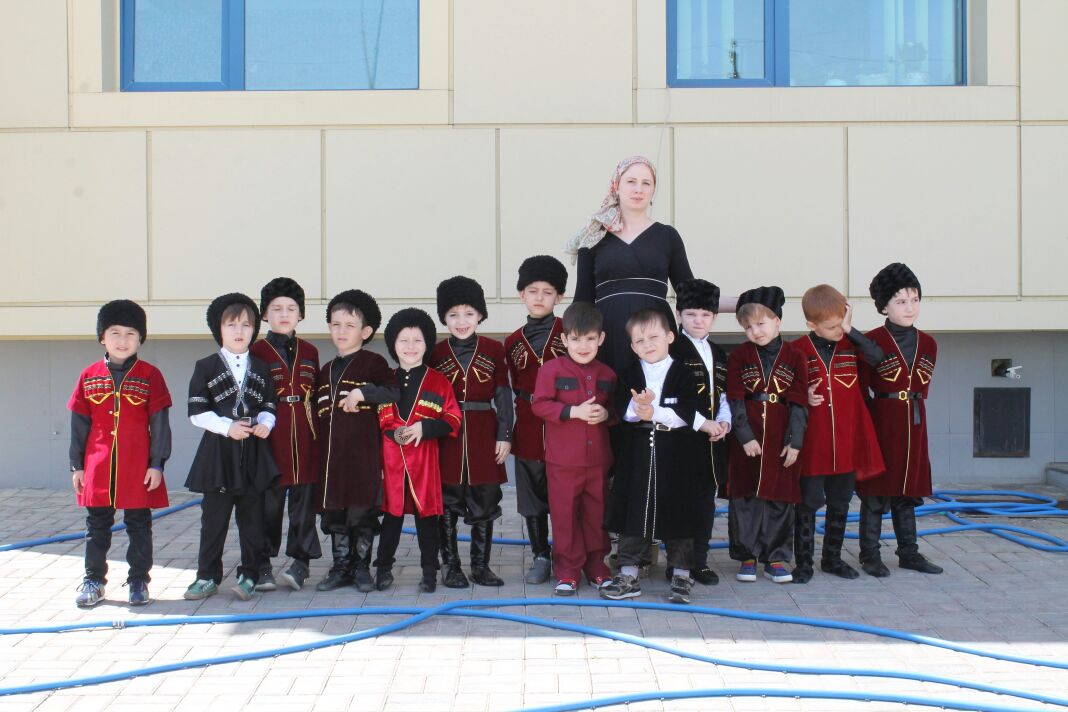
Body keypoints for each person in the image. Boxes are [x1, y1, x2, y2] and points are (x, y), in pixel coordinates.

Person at [600, 309, 710, 604]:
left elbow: (689, 413)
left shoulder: (684, 373)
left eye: (653, 337)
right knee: (635, 510)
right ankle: (628, 572)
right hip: (637, 452)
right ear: (633, 346)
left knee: (679, 510)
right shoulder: (629, 374)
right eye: (640, 341)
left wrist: (655, 411)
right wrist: (639, 408)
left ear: (670, 337)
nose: (647, 344)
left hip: (677, 451)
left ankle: (681, 573)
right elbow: (622, 411)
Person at [68, 300, 172, 607]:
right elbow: (79, 425)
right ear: (102, 337)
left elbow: (160, 424)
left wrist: (157, 464)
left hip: (137, 465)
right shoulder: (88, 375)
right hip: (97, 465)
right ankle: (93, 580)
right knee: (96, 525)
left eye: (131, 333)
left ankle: (139, 580)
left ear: (141, 339)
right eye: (115, 333)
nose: (122, 340)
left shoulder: (151, 375)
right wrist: (77, 465)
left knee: (139, 524)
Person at [184, 293, 278, 601]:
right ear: (219, 329)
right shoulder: (205, 366)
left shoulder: (262, 367)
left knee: (253, 520)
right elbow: (197, 412)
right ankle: (207, 576)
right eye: (231, 324)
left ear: (254, 330)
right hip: (218, 455)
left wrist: (266, 423)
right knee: (213, 520)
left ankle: (250, 574)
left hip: (253, 454)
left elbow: (269, 404)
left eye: (246, 325)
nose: (239, 331)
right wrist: (227, 428)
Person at [791, 284, 886, 583]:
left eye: (840, 324)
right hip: (813, 443)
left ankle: (832, 558)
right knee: (807, 503)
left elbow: (878, 358)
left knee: (841, 501)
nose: (837, 331)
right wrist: (803, 395)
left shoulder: (851, 344)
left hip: (847, 440)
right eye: (831, 327)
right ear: (811, 325)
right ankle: (803, 563)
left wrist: (849, 329)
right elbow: (786, 390)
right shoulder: (797, 350)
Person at [568, 156, 696, 372]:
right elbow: (583, 299)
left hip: (655, 336)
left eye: (646, 183)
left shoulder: (668, 236)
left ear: (653, 190)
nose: (639, 189)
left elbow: (690, 293)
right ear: (616, 186)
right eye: (631, 181)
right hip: (608, 332)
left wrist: (742, 305)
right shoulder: (592, 237)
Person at [856, 263, 943, 577]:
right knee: (876, 491)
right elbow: (860, 388)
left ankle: (909, 553)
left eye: (915, 299)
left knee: (908, 490)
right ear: (884, 306)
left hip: (915, 423)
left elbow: (922, 387)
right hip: (882, 422)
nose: (910, 307)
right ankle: (869, 555)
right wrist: (869, 423)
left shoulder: (928, 343)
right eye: (901, 301)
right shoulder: (871, 341)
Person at [430, 276, 514, 588]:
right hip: (447, 435)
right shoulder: (435, 353)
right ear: (444, 318)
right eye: (453, 314)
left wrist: (505, 434)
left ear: (480, 315)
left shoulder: (494, 349)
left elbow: (503, 395)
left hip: (483, 432)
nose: (461, 321)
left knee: (485, 497)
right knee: (447, 500)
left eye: (468, 313)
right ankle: (450, 566)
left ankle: (481, 566)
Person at [314, 289, 398, 593]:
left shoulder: (373, 364)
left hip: (364, 457)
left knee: (362, 512)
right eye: (336, 325)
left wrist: (363, 393)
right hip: (332, 459)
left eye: (349, 326)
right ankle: (341, 567)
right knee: (335, 512)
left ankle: (362, 567)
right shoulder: (326, 370)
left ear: (365, 331)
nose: (342, 331)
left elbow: (393, 391)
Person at [531, 302, 616, 595]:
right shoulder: (551, 370)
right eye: (576, 339)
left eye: (590, 339)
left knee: (597, 514)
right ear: (564, 340)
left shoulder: (608, 374)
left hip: (598, 461)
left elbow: (617, 411)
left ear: (601, 339)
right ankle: (567, 570)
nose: (583, 346)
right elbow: (539, 405)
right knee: (565, 515)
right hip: (563, 462)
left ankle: (597, 566)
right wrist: (572, 412)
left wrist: (607, 414)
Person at [376, 308, 462, 593]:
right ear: (393, 345)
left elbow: (453, 418)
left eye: (417, 340)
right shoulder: (386, 380)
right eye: (403, 340)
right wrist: (395, 432)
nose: (410, 347)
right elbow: (378, 419)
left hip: (424, 461)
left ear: (427, 345)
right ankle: (383, 568)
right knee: (392, 519)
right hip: (392, 461)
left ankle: (429, 572)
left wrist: (425, 428)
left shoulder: (439, 382)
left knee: (427, 520)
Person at [725, 287, 807, 585]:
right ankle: (747, 556)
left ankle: (776, 558)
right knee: (744, 498)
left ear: (777, 321)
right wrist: (744, 435)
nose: (755, 331)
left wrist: (795, 441)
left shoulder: (795, 356)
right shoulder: (739, 356)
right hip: (747, 437)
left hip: (780, 435)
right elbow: (734, 398)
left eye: (761, 324)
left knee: (779, 497)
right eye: (748, 327)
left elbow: (799, 402)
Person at [249, 277, 322, 592]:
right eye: (276, 308)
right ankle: (262, 564)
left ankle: (301, 563)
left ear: (300, 314)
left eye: (291, 308)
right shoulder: (255, 351)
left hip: (305, 434)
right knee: (268, 503)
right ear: (265, 314)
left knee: (304, 504)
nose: (284, 314)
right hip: (270, 436)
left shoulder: (310, 351)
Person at [505, 255, 569, 584]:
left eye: (548, 292)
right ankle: (540, 554)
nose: (539, 298)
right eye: (533, 291)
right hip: (529, 425)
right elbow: (513, 385)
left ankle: (567, 554)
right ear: (522, 294)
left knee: (565, 492)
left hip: (564, 424)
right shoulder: (512, 341)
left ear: (559, 297)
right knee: (531, 494)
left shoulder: (569, 332)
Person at [668, 278, 732, 586]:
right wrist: (701, 422)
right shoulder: (671, 350)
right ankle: (678, 563)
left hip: (712, 441)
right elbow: (671, 399)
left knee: (706, 503)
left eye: (705, 315)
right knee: (681, 503)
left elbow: (724, 394)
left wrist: (724, 422)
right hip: (682, 440)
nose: (698, 320)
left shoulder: (719, 352)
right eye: (691, 314)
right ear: (679, 315)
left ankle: (700, 562)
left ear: (714, 318)